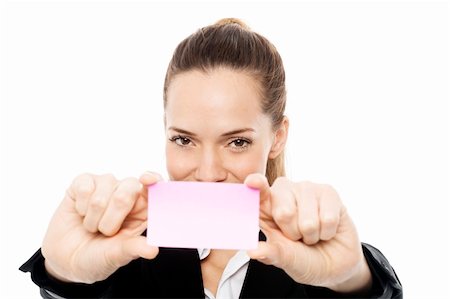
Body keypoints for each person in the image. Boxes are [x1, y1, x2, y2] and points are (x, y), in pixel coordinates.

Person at [20, 18, 402, 298]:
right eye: (184, 139)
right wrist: (61, 277)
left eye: (236, 142)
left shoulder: (310, 267)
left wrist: (354, 281)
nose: (207, 173)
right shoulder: (125, 253)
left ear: (277, 137)